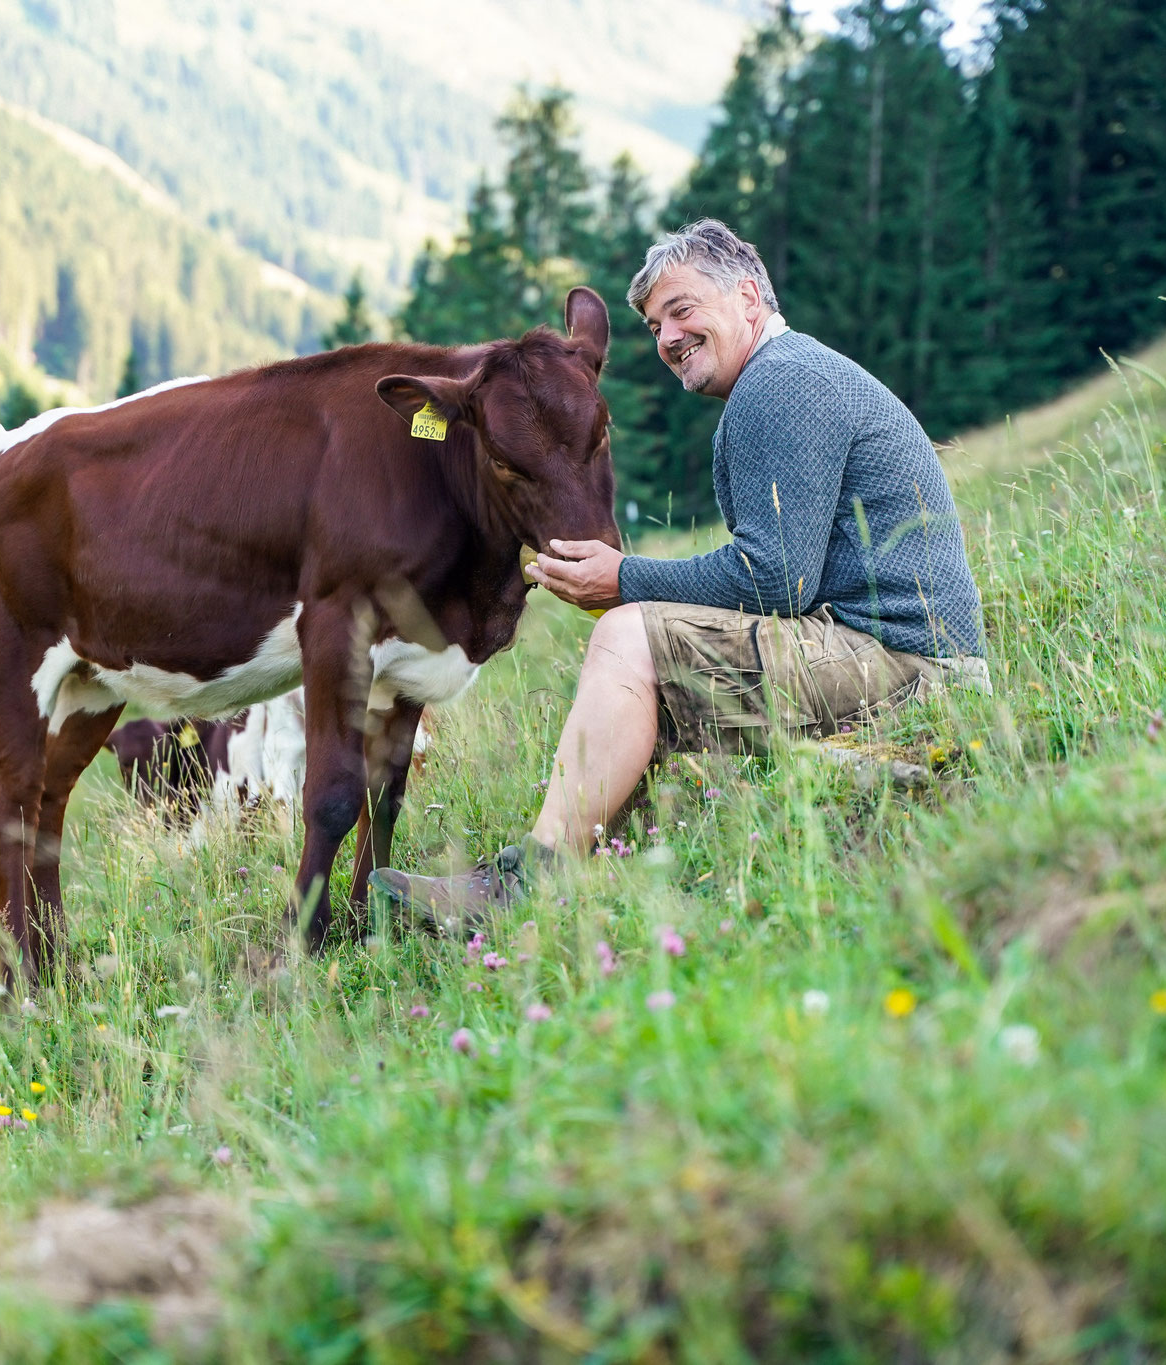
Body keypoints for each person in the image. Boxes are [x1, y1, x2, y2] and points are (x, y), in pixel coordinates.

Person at [369, 219, 988, 919]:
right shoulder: (790, 376)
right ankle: (592, 875)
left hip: (910, 666)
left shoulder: (782, 384)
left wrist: (623, 580)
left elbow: (775, 580)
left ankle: (527, 882)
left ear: (748, 298)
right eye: (654, 325)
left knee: (630, 636)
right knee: (652, 645)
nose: (667, 337)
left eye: (682, 310)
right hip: (901, 654)